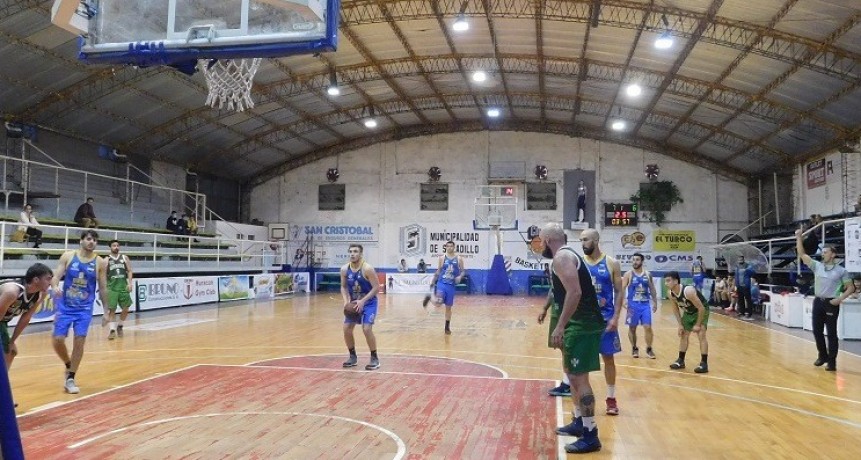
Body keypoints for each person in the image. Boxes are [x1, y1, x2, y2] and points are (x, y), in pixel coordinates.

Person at [543, 223, 604, 454]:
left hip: (582, 324)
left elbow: (575, 292)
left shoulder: (562, 258)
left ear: (548, 240)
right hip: (578, 323)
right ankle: (580, 422)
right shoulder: (567, 255)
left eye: (541, 241)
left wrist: (559, 326)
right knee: (572, 373)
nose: (540, 245)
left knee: (579, 379)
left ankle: (591, 435)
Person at [51, 230, 109, 394]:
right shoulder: (68, 256)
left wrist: (106, 311)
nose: (92, 242)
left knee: (79, 340)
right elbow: (56, 277)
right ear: (81, 241)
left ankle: (71, 378)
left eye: (95, 240)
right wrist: (55, 286)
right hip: (65, 305)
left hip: (84, 308)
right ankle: (68, 363)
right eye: (89, 239)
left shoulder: (100, 262)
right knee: (58, 339)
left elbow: (103, 287)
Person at [795, 228, 854, 371]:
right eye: (822, 252)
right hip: (818, 302)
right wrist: (798, 237)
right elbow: (802, 254)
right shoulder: (817, 266)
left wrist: (839, 299)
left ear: (833, 254)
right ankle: (822, 355)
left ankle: (832, 361)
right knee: (817, 331)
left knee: (832, 333)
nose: (823, 254)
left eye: (826, 252)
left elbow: (850, 287)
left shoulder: (841, 271)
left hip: (831, 303)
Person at [580, 228, 623, 416]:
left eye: (586, 240)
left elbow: (619, 291)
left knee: (608, 359)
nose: (583, 243)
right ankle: (584, 399)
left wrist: (615, 317)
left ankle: (611, 398)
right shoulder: (579, 263)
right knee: (583, 363)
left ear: (596, 241)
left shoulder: (611, 262)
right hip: (585, 320)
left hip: (606, 320)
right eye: (581, 240)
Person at [1, 263, 53, 370]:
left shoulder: (40, 294)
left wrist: (12, 341)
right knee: (6, 352)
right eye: (48, 279)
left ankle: (3, 384)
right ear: (36, 280)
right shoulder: (12, 291)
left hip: (2, 321)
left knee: (11, 351)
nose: (50, 283)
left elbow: (25, 318)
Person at [340, 243, 380, 371]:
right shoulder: (344, 269)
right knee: (346, 328)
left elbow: (376, 288)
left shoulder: (367, 268)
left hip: (369, 302)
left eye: (355, 251)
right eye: (350, 251)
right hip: (354, 303)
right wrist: (346, 301)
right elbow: (344, 286)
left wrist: (363, 301)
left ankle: (374, 357)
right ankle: (352, 356)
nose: (352, 254)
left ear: (361, 254)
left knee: (367, 329)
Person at [665, 271, 710, 373]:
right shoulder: (670, 293)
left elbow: (701, 308)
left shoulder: (688, 291)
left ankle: (704, 363)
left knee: (701, 334)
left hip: (701, 310)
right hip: (688, 312)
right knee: (683, 335)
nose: (666, 283)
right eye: (665, 281)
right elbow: (675, 309)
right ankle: (680, 360)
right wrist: (680, 324)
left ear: (676, 281)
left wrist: (698, 324)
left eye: (668, 281)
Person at [422, 241, 466, 335]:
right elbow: (438, 270)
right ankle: (429, 298)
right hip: (442, 283)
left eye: (451, 246)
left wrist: (460, 277)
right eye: (448, 246)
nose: (450, 248)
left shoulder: (459, 258)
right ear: (445, 247)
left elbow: (463, 271)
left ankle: (447, 327)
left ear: (454, 247)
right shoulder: (442, 258)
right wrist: (433, 281)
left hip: (451, 285)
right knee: (438, 303)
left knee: (448, 308)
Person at [622, 252, 658, 359]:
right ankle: (634, 348)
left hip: (645, 304)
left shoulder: (648, 274)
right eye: (633, 260)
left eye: (637, 260)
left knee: (648, 327)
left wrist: (655, 301)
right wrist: (623, 300)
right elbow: (622, 288)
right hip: (632, 305)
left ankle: (649, 348)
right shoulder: (628, 274)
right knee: (632, 328)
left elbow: (652, 289)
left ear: (642, 261)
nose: (635, 262)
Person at [104, 240, 133, 340]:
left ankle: (120, 325)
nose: (116, 247)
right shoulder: (106, 259)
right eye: (114, 246)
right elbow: (103, 275)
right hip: (112, 288)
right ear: (110, 247)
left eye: (117, 245)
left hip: (123, 287)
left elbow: (129, 270)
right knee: (112, 310)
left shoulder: (124, 258)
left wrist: (130, 283)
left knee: (126, 308)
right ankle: (112, 330)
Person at [735, 256, 756, 320]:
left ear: (743, 259)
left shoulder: (748, 265)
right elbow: (736, 276)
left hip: (746, 285)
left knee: (748, 300)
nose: (740, 260)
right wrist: (736, 284)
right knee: (740, 300)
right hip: (739, 286)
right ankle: (742, 312)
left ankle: (749, 313)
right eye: (739, 259)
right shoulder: (737, 266)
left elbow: (753, 272)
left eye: (741, 259)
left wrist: (747, 270)